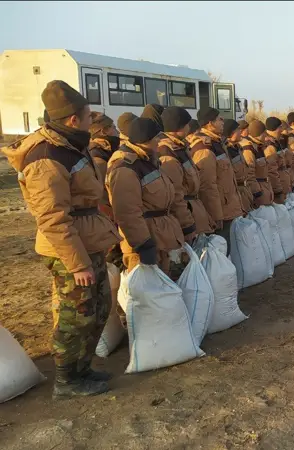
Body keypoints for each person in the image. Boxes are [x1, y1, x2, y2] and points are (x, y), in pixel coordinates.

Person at [1, 80, 121, 397]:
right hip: (68, 249)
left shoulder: (69, 145)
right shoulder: (46, 158)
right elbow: (53, 218)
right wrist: (78, 263)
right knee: (76, 317)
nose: (91, 121)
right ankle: (67, 380)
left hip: (87, 240)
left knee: (98, 309)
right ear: (73, 119)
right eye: (88, 115)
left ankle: (82, 368)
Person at [106, 118, 188, 278]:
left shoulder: (149, 160)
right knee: (146, 290)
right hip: (144, 243)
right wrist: (143, 245)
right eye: (157, 137)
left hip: (160, 238)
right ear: (145, 139)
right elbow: (128, 213)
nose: (160, 141)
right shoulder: (126, 168)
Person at [188, 107, 243, 253]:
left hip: (226, 206)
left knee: (226, 251)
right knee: (219, 254)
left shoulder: (218, 143)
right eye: (219, 119)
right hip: (218, 212)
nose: (223, 122)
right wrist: (216, 215)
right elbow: (207, 186)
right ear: (209, 123)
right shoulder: (204, 148)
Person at [158, 106, 215, 237]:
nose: (189, 127)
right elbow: (176, 195)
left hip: (193, 210)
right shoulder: (167, 152)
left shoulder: (179, 147)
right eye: (187, 124)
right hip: (185, 216)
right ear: (180, 127)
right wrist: (187, 225)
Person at [87, 112, 120, 220]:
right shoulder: (99, 158)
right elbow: (101, 197)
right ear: (104, 131)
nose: (118, 132)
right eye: (114, 128)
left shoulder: (106, 151)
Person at [240, 120, 275, 208]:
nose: (266, 135)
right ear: (259, 134)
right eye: (264, 133)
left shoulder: (259, 147)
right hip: (259, 192)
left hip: (265, 189)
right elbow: (249, 174)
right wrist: (257, 192)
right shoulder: (249, 149)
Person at [222, 118, 255, 213]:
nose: (240, 132)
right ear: (231, 133)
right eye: (238, 130)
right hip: (236, 194)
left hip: (245, 191)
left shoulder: (238, 148)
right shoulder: (226, 150)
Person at [263, 117, 290, 203]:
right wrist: (277, 190)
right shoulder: (270, 146)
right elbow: (272, 171)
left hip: (283, 184)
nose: (282, 130)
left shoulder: (276, 142)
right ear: (274, 128)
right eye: (280, 127)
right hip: (278, 188)